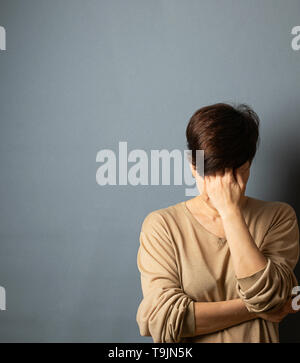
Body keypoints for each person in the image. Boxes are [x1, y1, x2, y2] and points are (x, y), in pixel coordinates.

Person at [136, 103, 299, 343]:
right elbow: (164, 319)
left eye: (233, 173)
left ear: (249, 166)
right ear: (193, 167)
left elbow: (267, 293)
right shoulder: (163, 226)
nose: (221, 186)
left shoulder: (278, 217)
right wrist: (258, 306)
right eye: (211, 173)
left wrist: (230, 211)